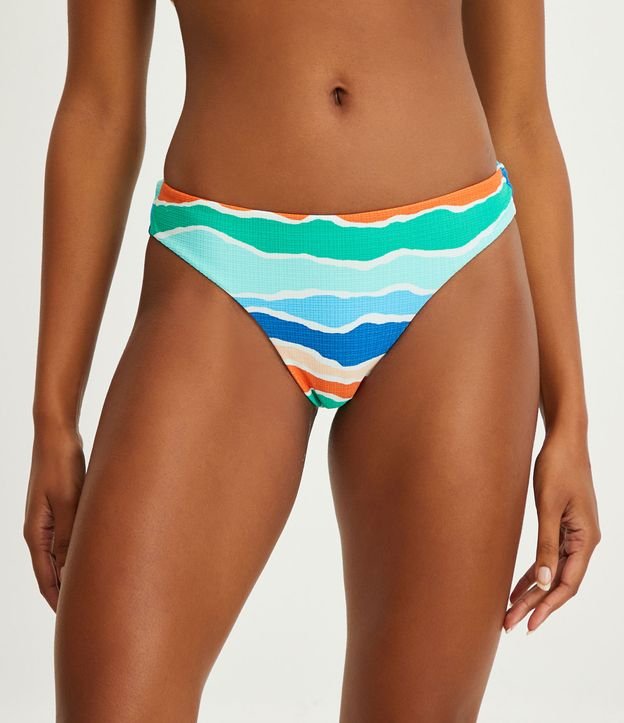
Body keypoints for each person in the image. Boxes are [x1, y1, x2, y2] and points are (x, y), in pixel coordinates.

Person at [24, 0, 601, 720]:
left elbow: (520, 115)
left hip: (453, 273)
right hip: (221, 264)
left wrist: (569, 420)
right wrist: (53, 417)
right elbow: (99, 108)